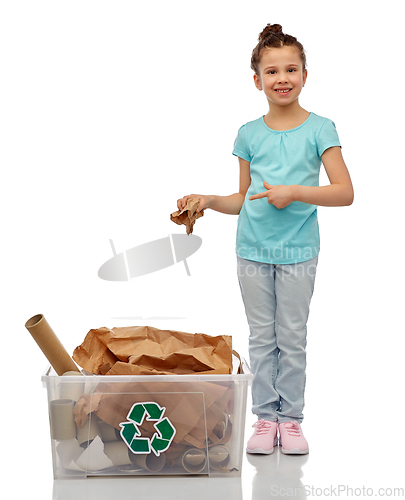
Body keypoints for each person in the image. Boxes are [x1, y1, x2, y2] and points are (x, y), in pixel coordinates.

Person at [176, 23, 353, 455]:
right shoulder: (248, 134)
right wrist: (210, 200)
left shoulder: (321, 129)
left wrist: (294, 192)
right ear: (257, 81)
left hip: (298, 251)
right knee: (261, 336)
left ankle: (290, 420)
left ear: (305, 76)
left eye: (291, 69)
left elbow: (344, 192)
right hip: (252, 249)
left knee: (291, 335)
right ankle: (264, 418)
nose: (282, 79)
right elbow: (243, 198)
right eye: (272, 72)